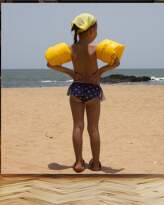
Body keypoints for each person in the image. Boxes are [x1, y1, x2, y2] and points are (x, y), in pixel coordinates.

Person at [47, 12, 120, 172]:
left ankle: (79, 162)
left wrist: (71, 73)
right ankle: (95, 164)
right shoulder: (95, 49)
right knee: (93, 128)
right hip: (93, 91)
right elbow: (106, 68)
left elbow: (50, 64)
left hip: (76, 89)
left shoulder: (71, 49)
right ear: (92, 30)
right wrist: (106, 68)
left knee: (77, 127)